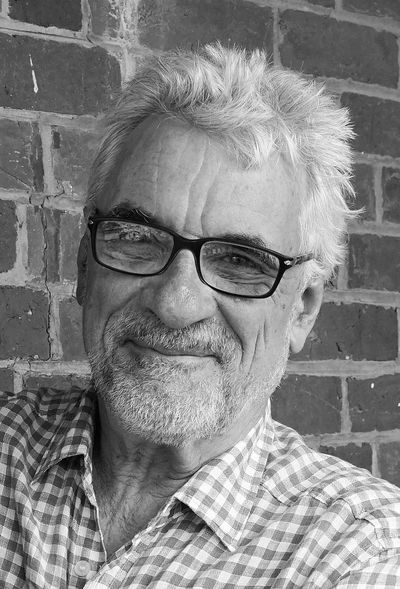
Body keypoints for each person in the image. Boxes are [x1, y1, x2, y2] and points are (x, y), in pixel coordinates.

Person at [0, 44, 399, 588]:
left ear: (302, 309)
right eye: (138, 239)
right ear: (84, 267)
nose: (176, 304)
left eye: (240, 262)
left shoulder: (358, 554)